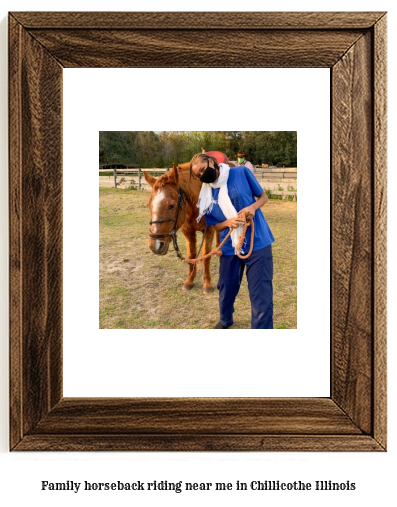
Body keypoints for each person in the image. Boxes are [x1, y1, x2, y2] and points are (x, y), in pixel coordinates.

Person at [190, 153, 274, 329]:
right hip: (229, 246)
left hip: (256, 240)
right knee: (226, 287)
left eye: (203, 170)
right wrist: (228, 223)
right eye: (198, 175)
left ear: (211, 162)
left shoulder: (241, 172)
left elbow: (263, 197)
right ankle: (225, 320)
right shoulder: (206, 194)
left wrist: (252, 207)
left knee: (260, 293)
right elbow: (216, 226)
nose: (202, 176)